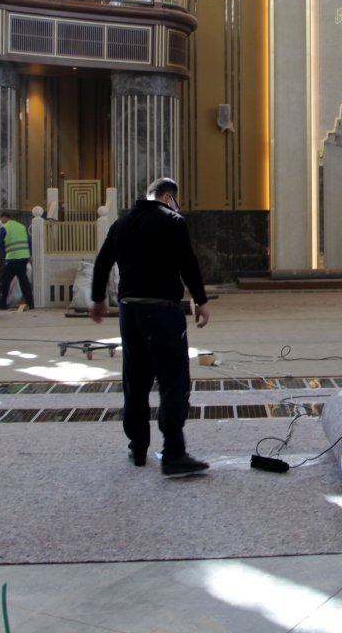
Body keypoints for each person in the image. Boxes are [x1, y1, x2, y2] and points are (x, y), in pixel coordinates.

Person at [89, 177, 211, 477]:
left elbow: (102, 262)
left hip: (129, 312)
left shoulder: (121, 223)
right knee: (173, 380)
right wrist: (200, 299)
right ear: (169, 197)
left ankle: (138, 447)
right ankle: (173, 453)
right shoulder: (172, 220)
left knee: (136, 380)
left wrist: (97, 299)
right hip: (161, 311)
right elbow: (188, 262)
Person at [0, 212, 35, 310]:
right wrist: (29, 254)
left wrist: (6, 255)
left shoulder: (4, 227)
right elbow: (28, 241)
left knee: (5, 281)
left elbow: (1, 244)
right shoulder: (21, 226)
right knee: (23, 281)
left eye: (0, 218)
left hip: (12, 258)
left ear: (4, 217)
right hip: (24, 257)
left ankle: (3, 302)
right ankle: (30, 303)